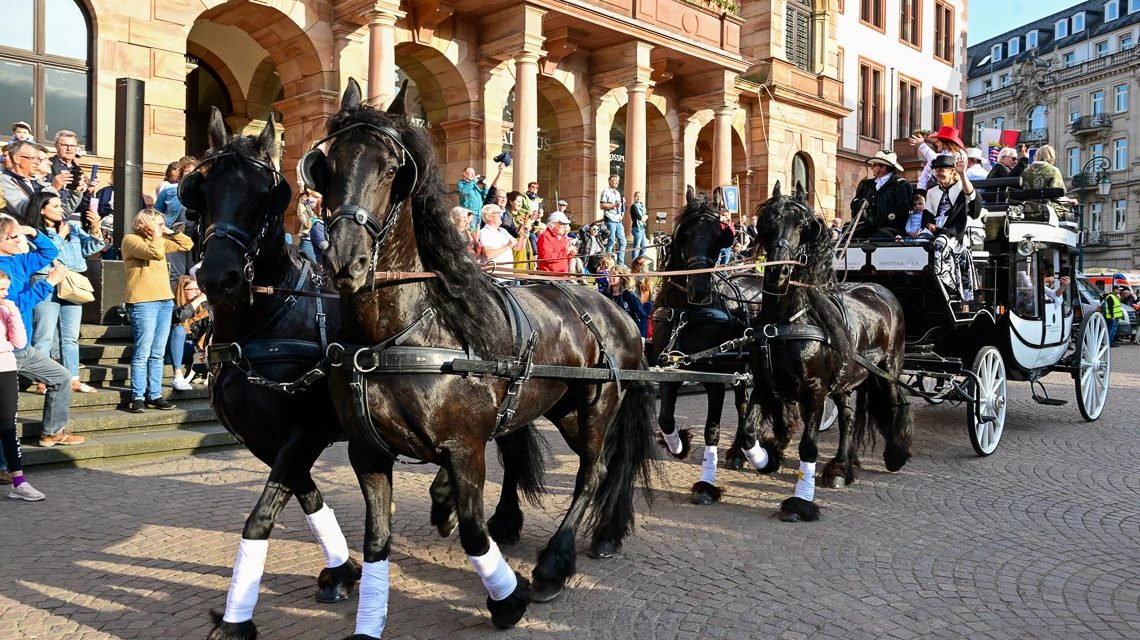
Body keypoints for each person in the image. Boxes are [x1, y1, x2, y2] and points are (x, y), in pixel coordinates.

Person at [0, 216, 80, 447]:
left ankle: (53, 432)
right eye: (12, 236)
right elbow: (15, 305)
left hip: (22, 346)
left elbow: (50, 251)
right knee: (6, 411)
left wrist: (32, 231)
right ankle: (4, 466)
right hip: (8, 347)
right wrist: (48, 283)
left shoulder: (18, 260)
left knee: (62, 377)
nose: (18, 240)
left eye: (18, 235)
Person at [28, 191, 104, 394]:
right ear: (42, 210)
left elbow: (93, 248)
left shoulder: (73, 228)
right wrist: (59, 237)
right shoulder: (34, 232)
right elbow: (46, 255)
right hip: (46, 281)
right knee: (44, 334)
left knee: (70, 336)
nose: (61, 209)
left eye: (61, 205)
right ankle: (42, 379)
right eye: (55, 206)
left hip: (72, 283)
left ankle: (73, 378)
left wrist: (96, 228)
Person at [122, 209, 193, 413]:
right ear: (146, 224)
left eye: (162, 224)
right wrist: (156, 234)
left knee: (157, 352)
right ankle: (137, 396)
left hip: (164, 301)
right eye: (158, 224)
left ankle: (155, 394)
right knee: (143, 351)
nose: (162, 227)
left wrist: (170, 231)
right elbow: (155, 253)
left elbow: (187, 244)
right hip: (144, 301)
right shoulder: (131, 240)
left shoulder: (160, 239)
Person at [0, 270, 45, 501]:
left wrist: (13, 314)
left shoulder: (6, 308)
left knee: (8, 427)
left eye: (6, 288)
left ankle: (19, 482)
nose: (5, 294)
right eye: (0, 289)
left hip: (6, 368)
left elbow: (18, 343)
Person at [924, 154, 982, 302]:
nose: (939, 173)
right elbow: (928, 214)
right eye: (937, 170)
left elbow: (972, 198)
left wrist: (963, 174)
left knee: (941, 243)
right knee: (918, 241)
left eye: (942, 169)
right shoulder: (931, 192)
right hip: (936, 228)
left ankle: (942, 281)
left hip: (955, 231)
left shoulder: (961, 186)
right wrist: (929, 224)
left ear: (952, 172)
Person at [851, 150, 914, 239]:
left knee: (876, 238)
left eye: (874, 165)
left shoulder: (901, 186)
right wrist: (860, 204)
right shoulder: (866, 184)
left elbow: (901, 213)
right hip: (866, 226)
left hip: (890, 229)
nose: (872, 167)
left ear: (883, 167)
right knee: (846, 234)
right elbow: (854, 204)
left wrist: (874, 220)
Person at [169, 275, 208, 390]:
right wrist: (197, 301)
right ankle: (178, 375)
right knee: (179, 330)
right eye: (193, 289)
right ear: (182, 290)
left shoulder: (203, 306)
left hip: (195, 351)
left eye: (198, 289)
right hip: (173, 352)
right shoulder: (172, 305)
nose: (197, 292)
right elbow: (179, 317)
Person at [476, 204, 527, 277]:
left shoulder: (503, 230)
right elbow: (488, 254)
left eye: (500, 213)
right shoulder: (484, 232)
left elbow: (518, 248)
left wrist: (524, 234)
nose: (501, 215)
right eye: (497, 213)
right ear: (488, 217)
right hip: (495, 278)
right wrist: (508, 245)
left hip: (509, 275)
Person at [911, 126, 966, 192]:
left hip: (948, 191)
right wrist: (921, 191)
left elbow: (939, 160)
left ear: (945, 142)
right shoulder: (959, 154)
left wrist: (922, 145)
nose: (936, 143)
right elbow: (925, 174)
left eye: (938, 141)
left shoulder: (954, 155)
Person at [606, 265, 650, 338]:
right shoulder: (605, 294)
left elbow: (643, 316)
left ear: (622, 279)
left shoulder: (629, 295)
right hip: (612, 335)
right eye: (610, 275)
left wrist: (642, 337)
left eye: (614, 275)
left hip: (631, 335)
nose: (611, 278)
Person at [599, 174, 627, 264]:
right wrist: (614, 205)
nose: (616, 182)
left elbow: (620, 206)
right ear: (609, 181)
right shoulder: (605, 192)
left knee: (623, 241)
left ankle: (620, 263)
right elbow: (602, 205)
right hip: (610, 219)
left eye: (617, 181)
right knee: (611, 241)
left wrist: (622, 214)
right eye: (614, 180)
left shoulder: (618, 193)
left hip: (618, 220)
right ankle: (607, 263)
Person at [629, 191, 648, 260]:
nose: (638, 198)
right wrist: (644, 218)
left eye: (640, 196)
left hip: (642, 228)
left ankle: (640, 262)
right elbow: (639, 217)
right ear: (634, 197)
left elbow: (645, 216)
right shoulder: (633, 206)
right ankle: (634, 262)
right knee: (636, 247)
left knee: (644, 247)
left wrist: (644, 218)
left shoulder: (642, 206)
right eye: (637, 196)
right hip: (636, 228)